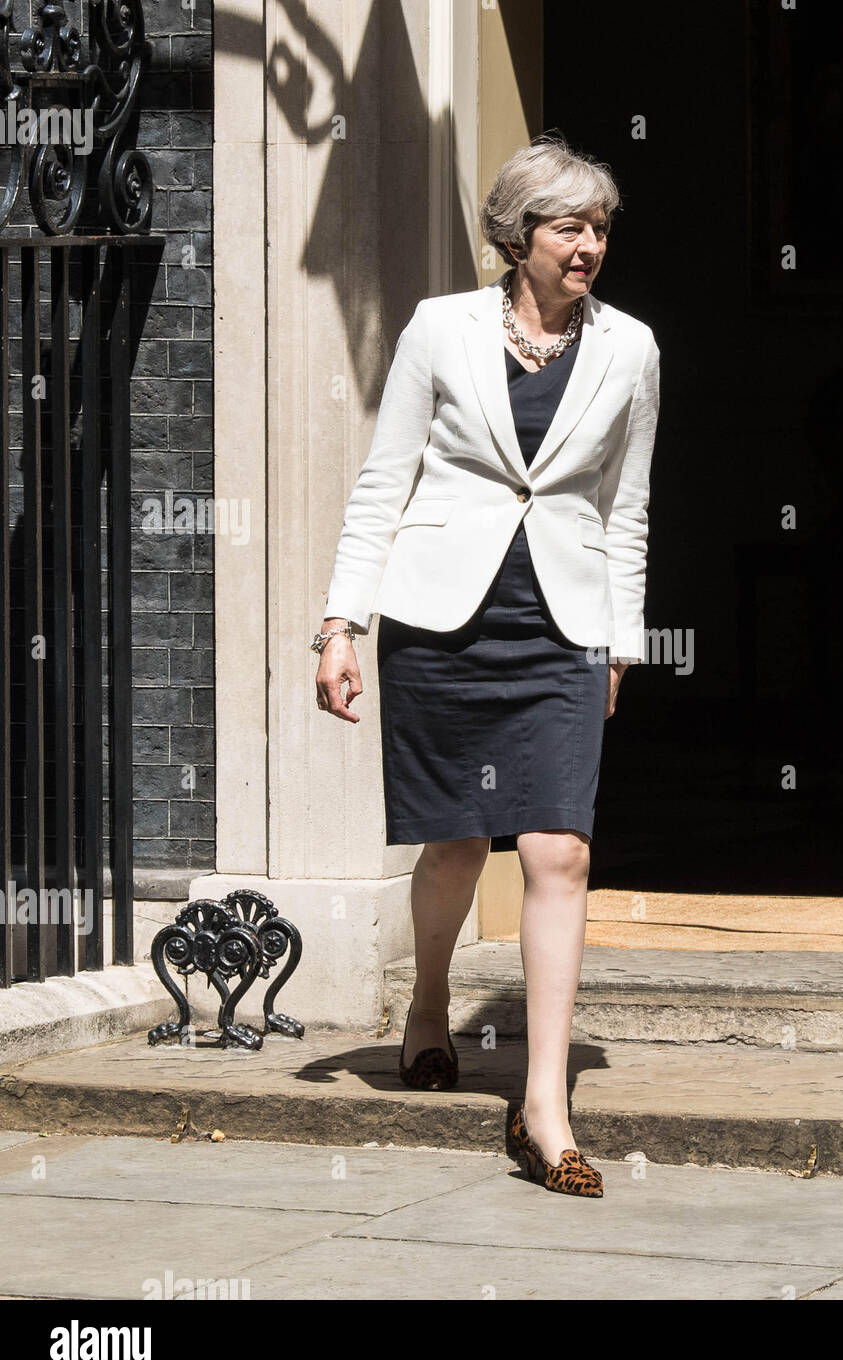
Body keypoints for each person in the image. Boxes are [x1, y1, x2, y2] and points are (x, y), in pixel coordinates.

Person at [314, 134, 659, 1198]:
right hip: (441, 616)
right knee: (459, 841)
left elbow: (627, 510)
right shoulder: (438, 329)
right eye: (568, 227)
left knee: (558, 849)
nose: (588, 245)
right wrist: (341, 621)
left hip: (561, 623)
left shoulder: (633, 349)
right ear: (518, 237)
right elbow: (385, 481)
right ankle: (429, 1003)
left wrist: (623, 641)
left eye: (599, 228)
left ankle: (546, 1105)